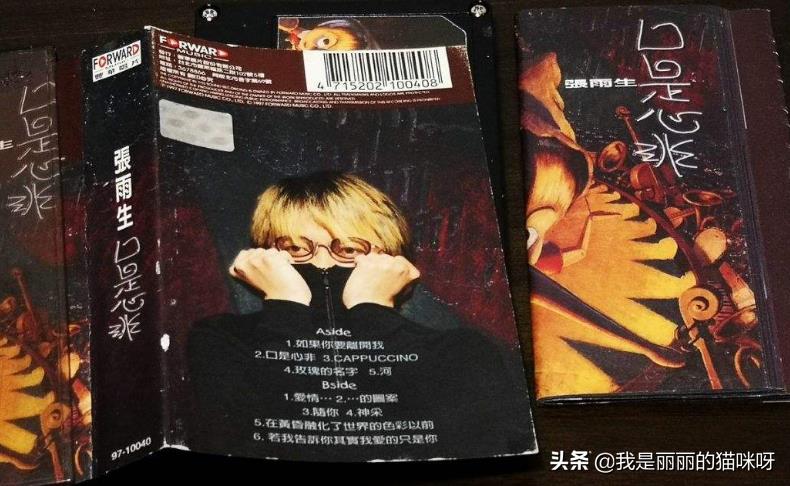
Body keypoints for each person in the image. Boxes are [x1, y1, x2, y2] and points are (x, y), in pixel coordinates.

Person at [185, 171, 533, 461]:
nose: (322, 262)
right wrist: (286, 308)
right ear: (264, 258)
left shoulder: (462, 350)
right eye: (294, 248)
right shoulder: (220, 339)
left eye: (349, 248)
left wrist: (373, 313)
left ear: (391, 260)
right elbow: (242, 445)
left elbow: (470, 452)